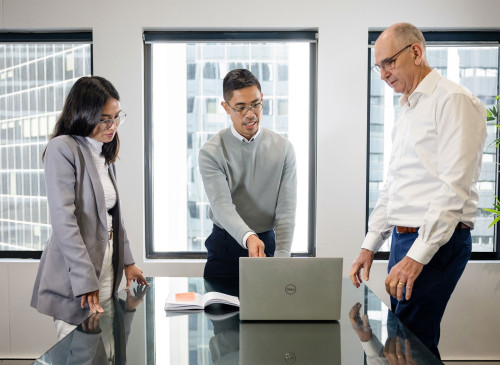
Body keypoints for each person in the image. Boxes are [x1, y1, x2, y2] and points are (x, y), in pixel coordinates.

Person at [349, 23, 486, 359]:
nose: (383, 74)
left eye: (389, 63)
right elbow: (394, 187)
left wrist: (415, 257)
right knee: (406, 345)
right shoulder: (407, 109)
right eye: (378, 66)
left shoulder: (453, 101)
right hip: (404, 237)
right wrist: (370, 244)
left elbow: (454, 189)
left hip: (436, 240)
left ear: (416, 52)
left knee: (410, 348)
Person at [31, 76, 148, 340]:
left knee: (104, 347)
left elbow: (113, 217)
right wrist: (85, 280)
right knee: (77, 348)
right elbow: (64, 221)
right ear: (83, 114)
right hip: (75, 270)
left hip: (106, 265)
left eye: (117, 117)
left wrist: (128, 261)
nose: (113, 126)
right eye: (104, 119)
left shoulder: (103, 153)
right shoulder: (62, 149)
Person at [199, 69, 297, 278]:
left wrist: (282, 259)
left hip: (266, 245)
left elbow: (286, 211)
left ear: (263, 99)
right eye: (241, 108)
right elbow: (222, 206)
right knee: (218, 311)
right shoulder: (211, 151)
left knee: (267, 310)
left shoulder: (283, 148)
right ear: (226, 108)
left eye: (255, 104)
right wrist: (248, 237)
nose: (250, 114)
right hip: (224, 246)